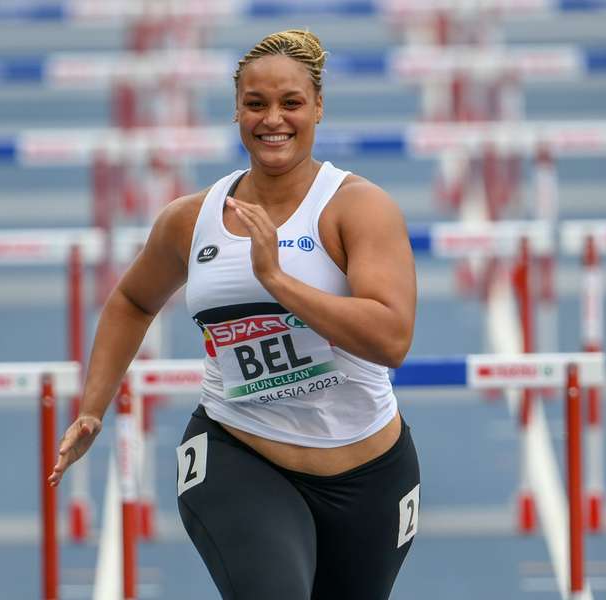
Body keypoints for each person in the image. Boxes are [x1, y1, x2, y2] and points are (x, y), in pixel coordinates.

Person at [49, 29, 420, 600]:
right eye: (256, 104)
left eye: (290, 103)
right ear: (237, 112)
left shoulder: (357, 209)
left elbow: (392, 339)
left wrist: (278, 281)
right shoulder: (189, 219)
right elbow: (132, 300)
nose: (273, 119)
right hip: (239, 453)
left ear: (318, 107)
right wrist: (93, 407)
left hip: (369, 473)